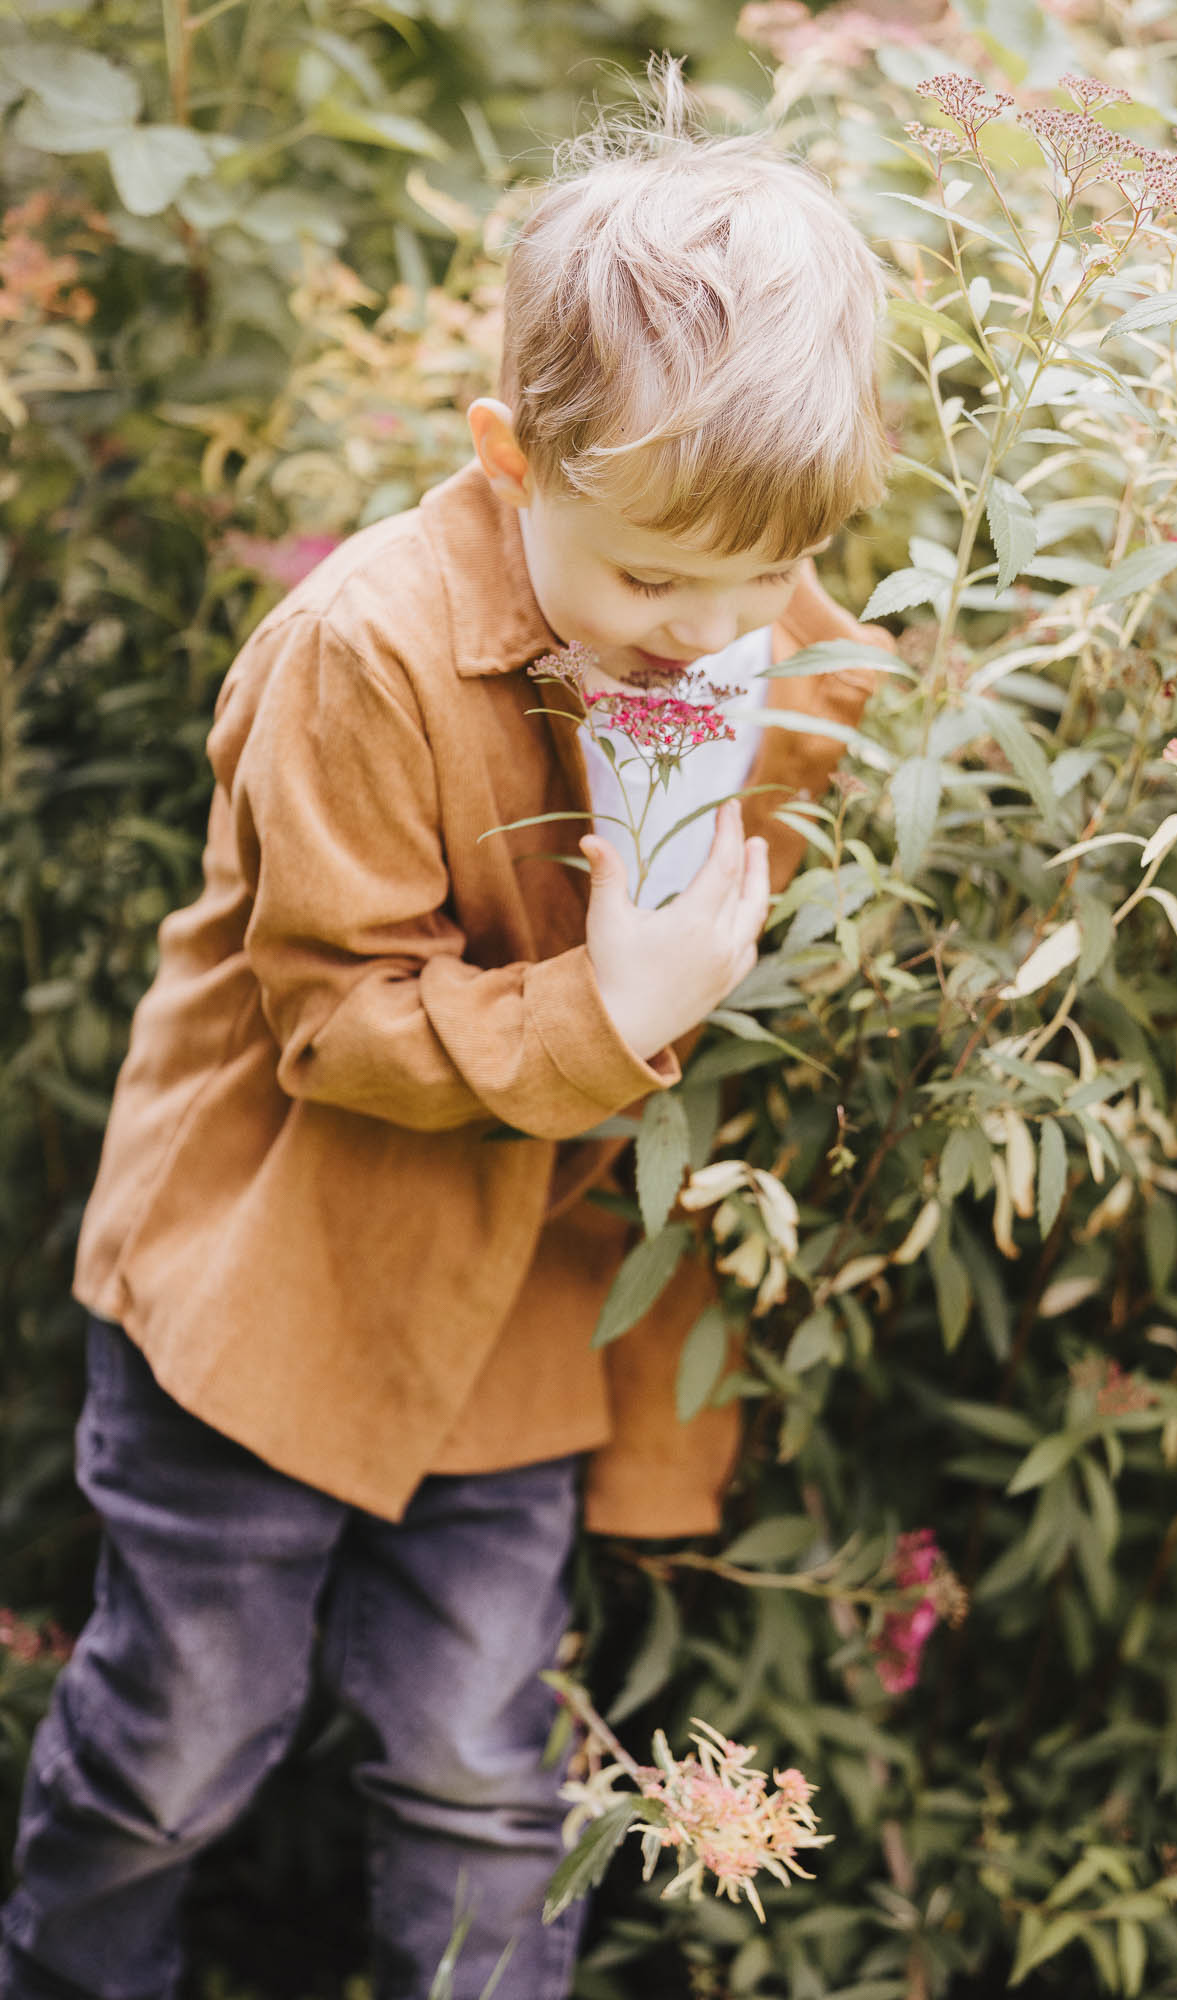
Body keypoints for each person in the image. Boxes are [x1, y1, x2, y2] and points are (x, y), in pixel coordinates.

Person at [0, 59, 892, 2000]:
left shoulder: (774, 639)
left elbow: (868, 742)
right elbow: (333, 1025)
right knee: (177, 1750)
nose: (705, 630)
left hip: (515, 1332)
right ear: (510, 457)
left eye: (761, 574)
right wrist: (615, 1003)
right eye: (650, 573)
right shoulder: (368, 649)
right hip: (269, 1298)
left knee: (483, 1770)